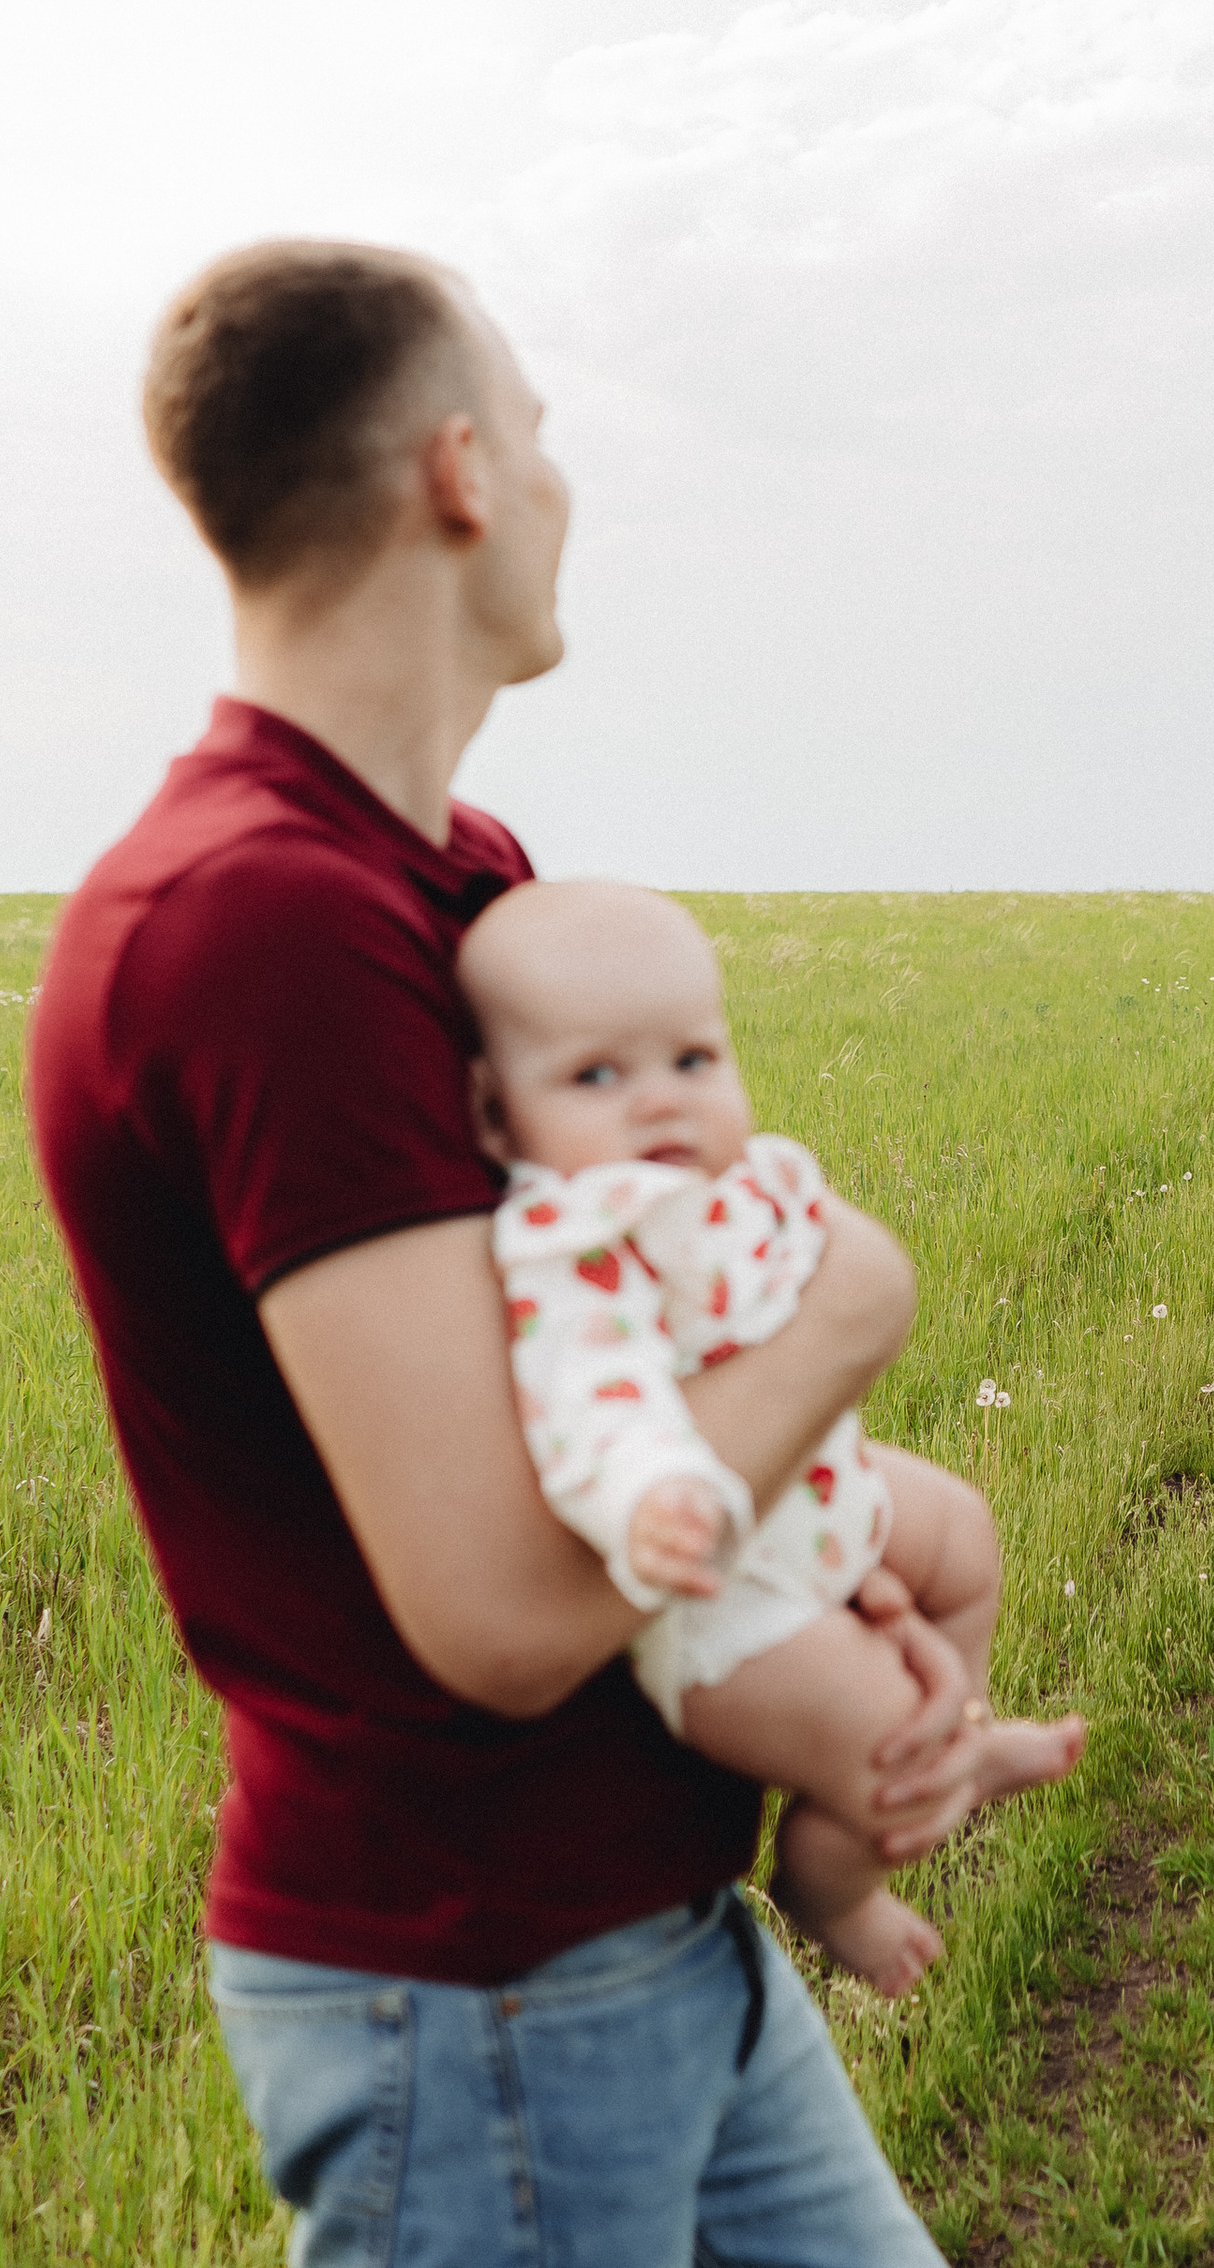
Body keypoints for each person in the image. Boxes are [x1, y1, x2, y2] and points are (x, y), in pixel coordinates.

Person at [25, 240, 981, 2263]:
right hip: (473, 1990)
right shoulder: (255, 920)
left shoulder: (460, 881)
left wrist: (841, 1546)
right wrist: (846, 1323)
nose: (561, 486)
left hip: (640, 1919)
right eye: (542, 435)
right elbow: (498, 1604)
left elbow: (594, 1355)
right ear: (461, 471)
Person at [463, 876, 1084, 2000]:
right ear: (497, 1115)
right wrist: (655, 1499)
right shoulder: (572, 1250)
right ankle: (832, 1884)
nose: (660, 1104)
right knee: (881, 1741)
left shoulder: (740, 1185)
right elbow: (591, 1397)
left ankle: (972, 1714)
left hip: (816, 1482)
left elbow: (820, 1263)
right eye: (598, 1076)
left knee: (961, 1532)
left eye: (693, 1062)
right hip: (717, 1586)